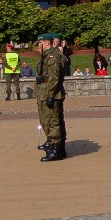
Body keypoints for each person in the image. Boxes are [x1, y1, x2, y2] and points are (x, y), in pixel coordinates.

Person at [35, 33, 67, 161]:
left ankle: (55, 149)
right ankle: (58, 147)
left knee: (52, 122)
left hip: (50, 93)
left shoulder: (52, 57)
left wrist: (50, 94)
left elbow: (54, 78)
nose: (38, 46)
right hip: (45, 92)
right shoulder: (47, 56)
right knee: (49, 120)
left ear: (47, 43)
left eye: (40, 43)